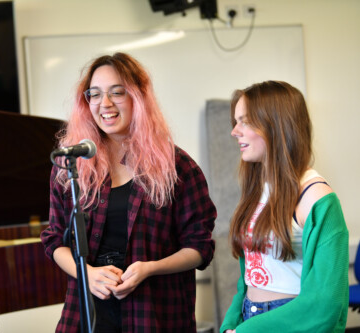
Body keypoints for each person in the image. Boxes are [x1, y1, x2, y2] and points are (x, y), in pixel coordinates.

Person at [41, 52, 216, 332]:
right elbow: (53, 240)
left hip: (155, 314)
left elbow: (200, 248)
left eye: (117, 92)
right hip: (88, 313)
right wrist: (87, 275)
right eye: (94, 94)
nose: (105, 104)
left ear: (138, 97)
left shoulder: (177, 167)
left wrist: (150, 268)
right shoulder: (71, 165)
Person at [220, 81, 349, 332]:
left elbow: (327, 302)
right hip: (249, 318)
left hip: (291, 324)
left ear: (276, 125)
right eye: (235, 122)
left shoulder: (318, 199)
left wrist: (248, 330)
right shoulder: (258, 190)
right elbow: (249, 274)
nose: (234, 132)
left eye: (245, 121)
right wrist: (232, 323)